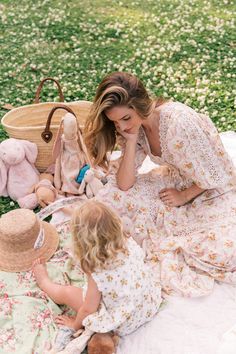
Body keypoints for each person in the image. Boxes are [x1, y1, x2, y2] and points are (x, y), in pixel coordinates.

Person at [84, 71, 236, 297]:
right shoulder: (135, 129)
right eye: (115, 122)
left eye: (126, 118)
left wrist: (184, 196)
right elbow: (125, 183)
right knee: (111, 198)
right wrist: (132, 138)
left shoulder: (179, 123)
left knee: (219, 246)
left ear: (141, 105)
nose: (122, 127)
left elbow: (216, 173)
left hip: (210, 187)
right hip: (176, 177)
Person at [32, 200, 162, 335]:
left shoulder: (96, 270)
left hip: (122, 320)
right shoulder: (126, 241)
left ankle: (44, 282)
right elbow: (98, 225)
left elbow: (88, 309)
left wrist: (75, 325)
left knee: (68, 293)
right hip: (146, 303)